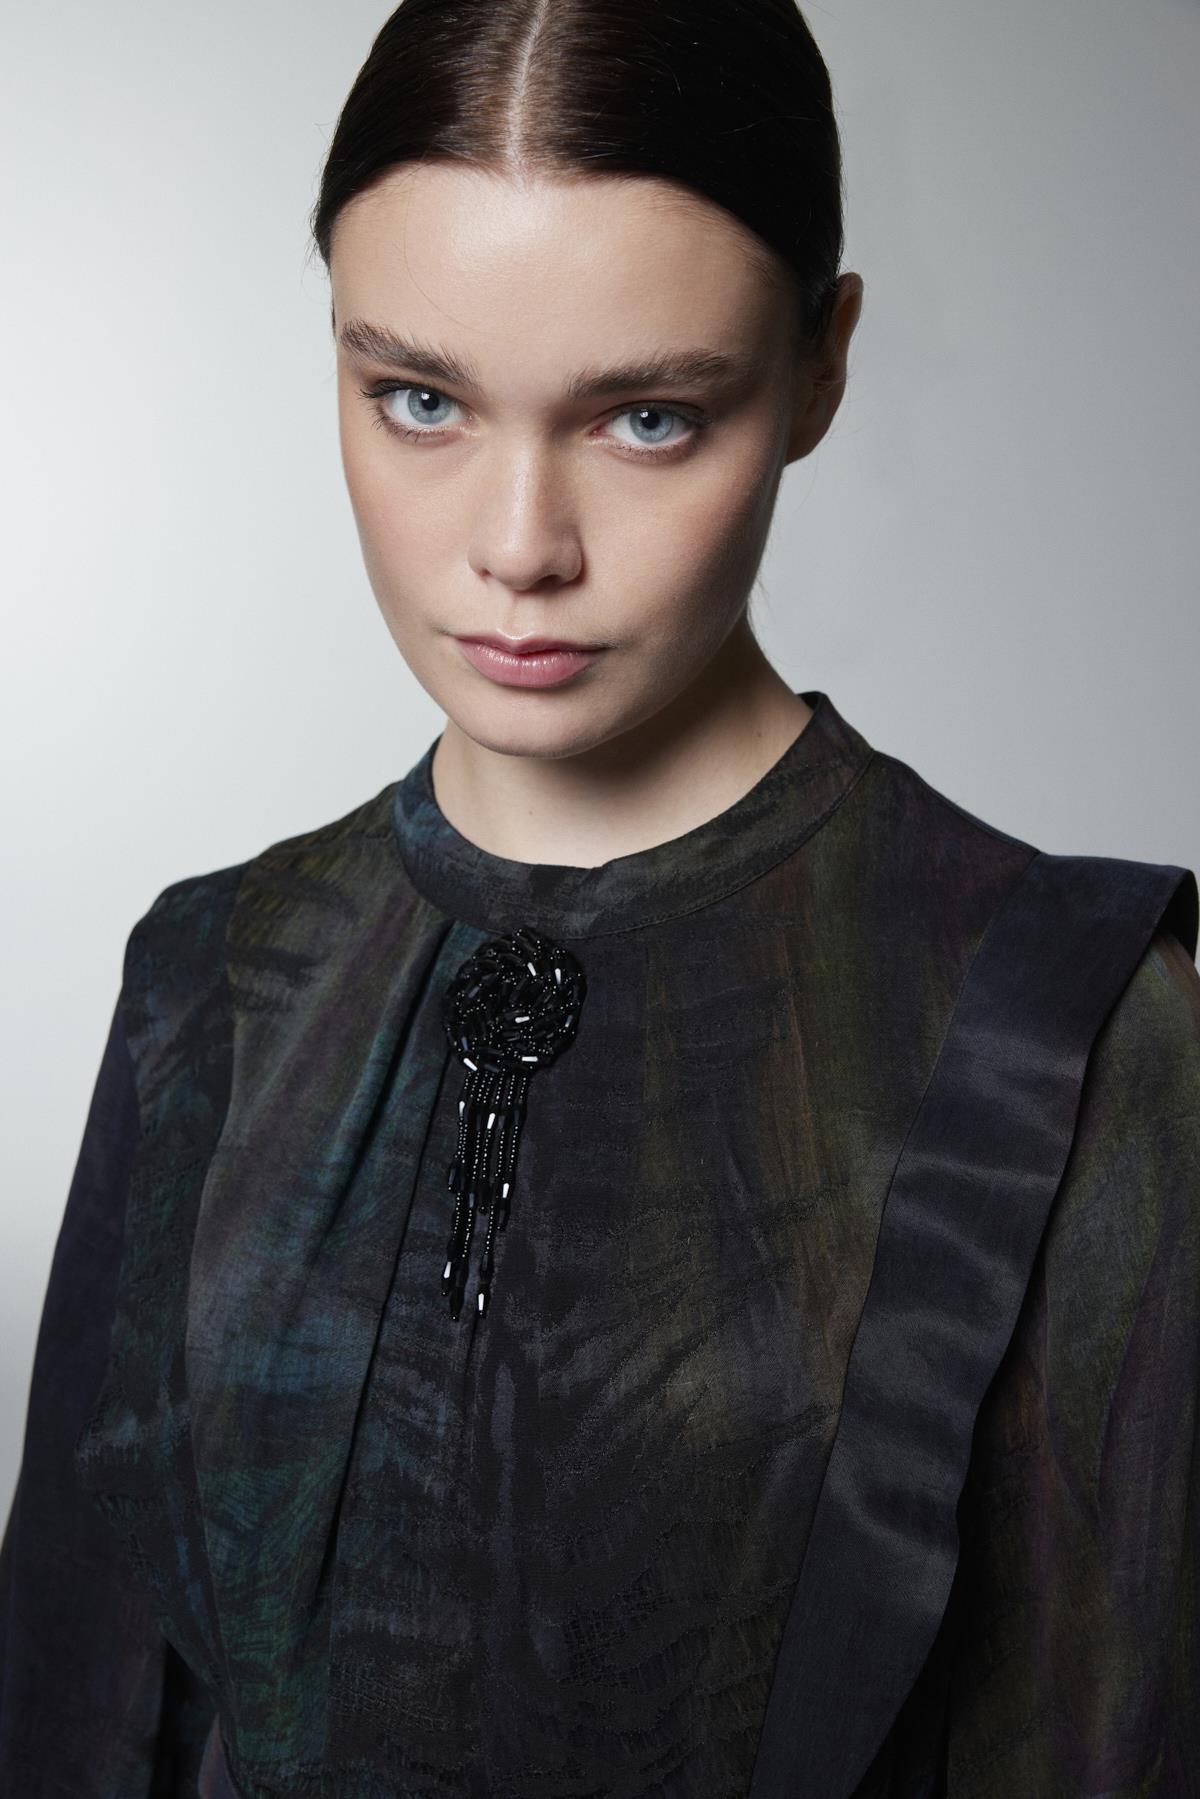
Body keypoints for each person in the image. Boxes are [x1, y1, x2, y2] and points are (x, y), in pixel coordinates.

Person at [2, 1, 1198, 1794]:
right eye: (418, 400)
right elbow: (75, 1708)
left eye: (647, 417)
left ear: (820, 369)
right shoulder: (211, 980)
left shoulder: (1075, 1039)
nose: (517, 547)